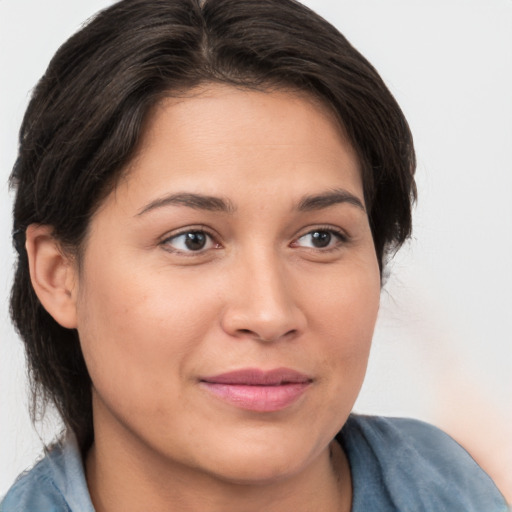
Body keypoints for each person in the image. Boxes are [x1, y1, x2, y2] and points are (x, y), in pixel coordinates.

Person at [1, 0, 507, 510]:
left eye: (320, 237)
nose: (269, 314)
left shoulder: (458, 487)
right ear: (58, 274)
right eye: (192, 239)